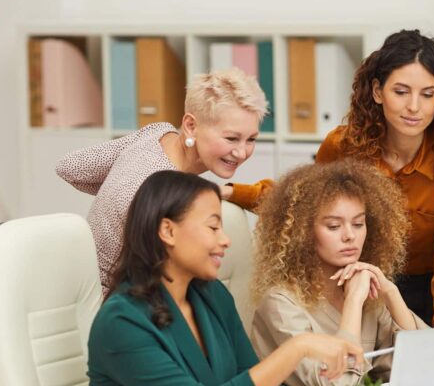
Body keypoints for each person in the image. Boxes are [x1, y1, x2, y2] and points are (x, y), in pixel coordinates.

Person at [229, 30, 434, 327]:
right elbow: (301, 200)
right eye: (401, 92)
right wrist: (231, 192)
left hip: (428, 289)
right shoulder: (344, 145)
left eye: (427, 94)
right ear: (378, 91)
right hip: (355, 281)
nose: (414, 107)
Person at [87, 170, 364, 386]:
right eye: (213, 227)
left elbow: (248, 382)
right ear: (168, 231)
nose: (225, 240)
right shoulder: (122, 321)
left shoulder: (212, 296)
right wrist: (298, 348)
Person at [56, 68, 272, 294]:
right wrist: (127, 197)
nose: (241, 152)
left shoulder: (157, 133)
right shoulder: (164, 195)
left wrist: (116, 192)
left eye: (251, 139)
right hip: (119, 304)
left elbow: (71, 167)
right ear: (190, 125)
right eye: (231, 138)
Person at [250, 160, 427, 386]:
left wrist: (391, 293)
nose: (350, 236)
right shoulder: (281, 304)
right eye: (333, 226)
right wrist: (353, 302)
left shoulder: (370, 294)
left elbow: (423, 368)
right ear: (303, 233)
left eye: (358, 224)